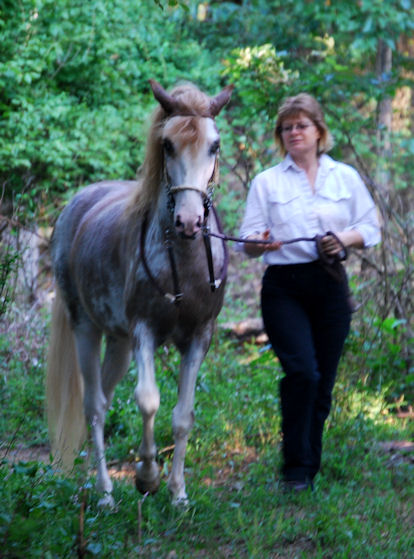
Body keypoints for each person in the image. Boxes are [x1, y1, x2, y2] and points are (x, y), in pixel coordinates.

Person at [238, 93, 380, 491]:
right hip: (284, 288)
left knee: (323, 382)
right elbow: (245, 242)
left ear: (319, 131)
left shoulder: (345, 177)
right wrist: (259, 243)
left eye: (301, 125)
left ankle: (307, 468)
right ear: (280, 136)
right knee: (302, 371)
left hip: (331, 284)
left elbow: (371, 228)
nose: (294, 132)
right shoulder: (266, 182)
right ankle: (295, 469)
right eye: (287, 127)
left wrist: (342, 239)